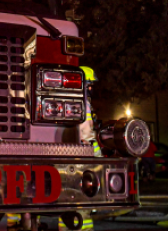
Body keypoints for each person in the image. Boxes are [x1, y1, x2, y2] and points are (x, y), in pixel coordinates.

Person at [59, 66, 101, 231]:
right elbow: (87, 136)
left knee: (67, 203)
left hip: (67, 160)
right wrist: (99, 158)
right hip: (82, 160)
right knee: (81, 203)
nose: (91, 89)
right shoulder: (83, 103)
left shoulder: (63, 99)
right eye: (89, 85)